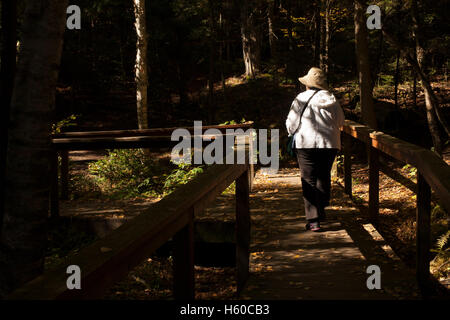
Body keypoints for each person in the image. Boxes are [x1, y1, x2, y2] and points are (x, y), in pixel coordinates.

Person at [285, 67, 345, 232]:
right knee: (323, 175)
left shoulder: (301, 98)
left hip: (306, 143)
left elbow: (291, 123)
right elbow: (341, 121)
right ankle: (321, 208)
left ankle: (313, 220)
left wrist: (292, 133)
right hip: (329, 144)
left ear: (308, 85)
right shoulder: (331, 99)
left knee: (308, 179)